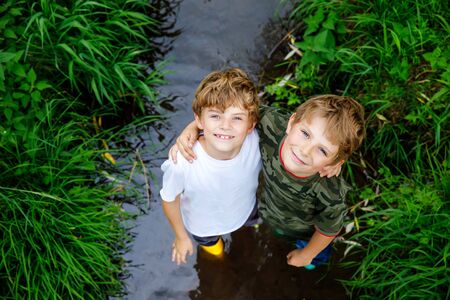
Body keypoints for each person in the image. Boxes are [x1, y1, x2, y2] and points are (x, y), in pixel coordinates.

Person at [171, 94, 365, 268]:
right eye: (305, 134)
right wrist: (194, 128)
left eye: (322, 150)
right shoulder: (270, 123)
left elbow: (328, 229)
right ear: (291, 123)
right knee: (273, 233)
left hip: (303, 232)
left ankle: (310, 261)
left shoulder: (330, 188)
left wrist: (307, 254)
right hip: (268, 209)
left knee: (313, 258)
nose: (305, 150)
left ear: (335, 162)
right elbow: (230, 118)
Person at [160, 68, 262, 265]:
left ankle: (249, 240)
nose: (226, 125)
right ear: (198, 120)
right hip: (204, 226)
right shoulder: (183, 162)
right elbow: (169, 198)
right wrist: (181, 236)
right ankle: (220, 264)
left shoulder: (255, 141)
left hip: (245, 209)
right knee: (217, 257)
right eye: (215, 116)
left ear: (251, 125)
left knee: (249, 237)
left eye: (237, 118)